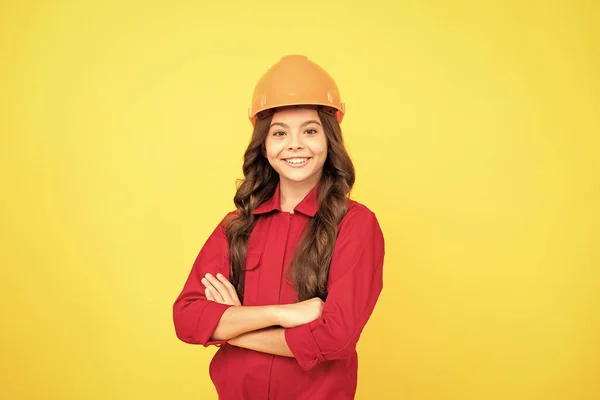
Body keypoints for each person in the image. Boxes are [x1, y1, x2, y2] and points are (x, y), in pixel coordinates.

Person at [173, 54, 385, 400]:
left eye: (310, 131)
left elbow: (335, 338)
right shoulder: (236, 225)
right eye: (280, 132)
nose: (295, 144)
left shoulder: (356, 225)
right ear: (265, 145)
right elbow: (186, 318)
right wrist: (285, 315)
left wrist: (232, 325)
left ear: (329, 140)